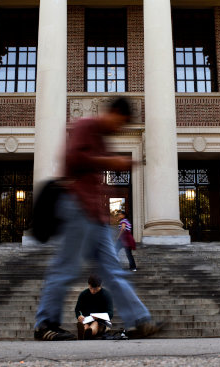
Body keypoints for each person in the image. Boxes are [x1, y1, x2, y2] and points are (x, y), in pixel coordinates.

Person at [33, 97, 163, 341]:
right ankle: (44, 324)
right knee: (65, 269)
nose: (120, 128)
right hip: (77, 209)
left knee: (114, 272)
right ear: (113, 112)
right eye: (121, 122)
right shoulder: (86, 126)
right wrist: (109, 161)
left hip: (97, 217)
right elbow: (71, 161)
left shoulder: (101, 139)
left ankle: (140, 321)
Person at [75, 274, 113, 340]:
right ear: (88, 285)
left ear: (100, 286)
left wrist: (99, 317)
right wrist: (79, 316)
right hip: (87, 320)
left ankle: (87, 333)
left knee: (95, 323)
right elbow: (77, 309)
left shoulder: (106, 295)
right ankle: (85, 332)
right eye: (90, 288)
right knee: (86, 325)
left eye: (95, 289)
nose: (93, 291)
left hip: (101, 322)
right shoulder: (83, 294)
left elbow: (110, 313)